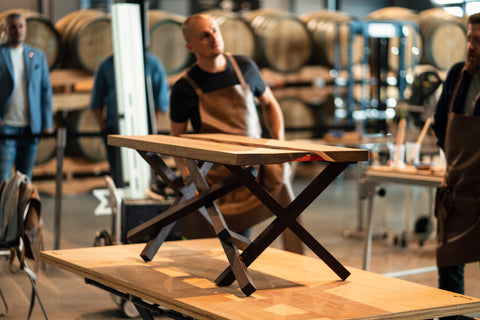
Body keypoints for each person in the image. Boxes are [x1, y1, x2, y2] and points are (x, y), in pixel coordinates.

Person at [169, 13, 302, 253]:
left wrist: (279, 145)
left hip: (257, 171)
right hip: (216, 178)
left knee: (288, 205)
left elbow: (270, 104)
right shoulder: (184, 87)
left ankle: (301, 269)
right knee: (219, 244)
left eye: (215, 31)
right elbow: (176, 140)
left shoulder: (244, 66)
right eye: (204, 35)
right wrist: (188, 174)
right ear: (190, 46)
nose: (213, 38)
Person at [433, 12, 480, 319]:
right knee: (449, 262)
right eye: (470, 39)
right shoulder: (457, 75)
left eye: (479, 41)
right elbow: (440, 123)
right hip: (459, 186)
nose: (472, 47)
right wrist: (455, 161)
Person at [90, 53, 169, 187]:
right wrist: (104, 129)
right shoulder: (106, 65)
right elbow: (96, 102)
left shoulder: (152, 63)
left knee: (148, 172)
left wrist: (151, 126)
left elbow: (161, 100)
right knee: (118, 172)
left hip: (145, 129)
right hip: (114, 128)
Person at [0, 12, 53, 183]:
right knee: (3, 180)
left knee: (25, 181)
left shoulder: (37, 56)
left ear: (26, 29)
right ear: (5, 29)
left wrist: (47, 123)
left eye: (21, 26)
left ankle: (22, 211)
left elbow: (45, 90)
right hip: (6, 126)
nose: (18, 30)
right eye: (13, 26)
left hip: (31, 127)